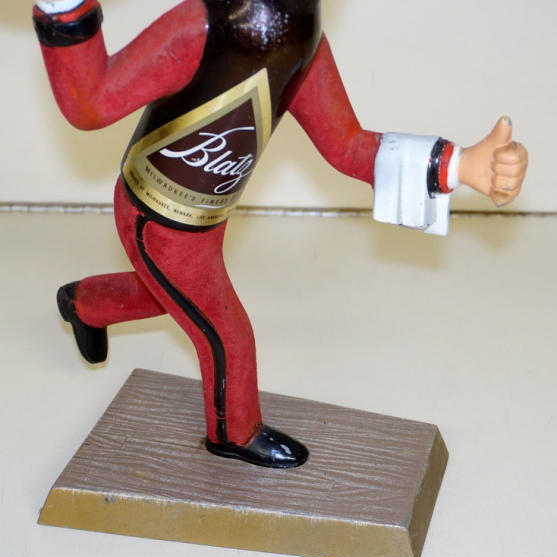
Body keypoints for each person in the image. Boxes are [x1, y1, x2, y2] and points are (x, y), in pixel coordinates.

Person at [33, 0, 528, 468]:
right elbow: (91, 103)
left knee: (174, 298)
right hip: (156, 220)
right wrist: (64, 10)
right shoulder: (202, 26)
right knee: (226, 333)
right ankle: (233, 433)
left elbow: (347, 146)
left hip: (209, 214)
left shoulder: (299, 36)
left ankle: (83, 304)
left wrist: (460, 165)